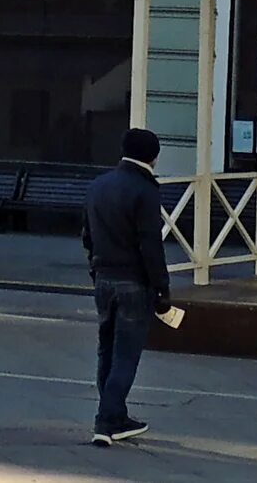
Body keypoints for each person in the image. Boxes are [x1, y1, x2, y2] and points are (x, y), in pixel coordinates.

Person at [80, 124, 175, 447]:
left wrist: (96, 270)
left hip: (103, 278)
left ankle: (114, 415)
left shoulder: (99, 185)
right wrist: (162, 288)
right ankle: (107, 421)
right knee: (126, 354)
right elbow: (150, 244)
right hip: (134, 280)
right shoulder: (144, 190)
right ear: (154, 156)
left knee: (106, 349)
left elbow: (88, 237)